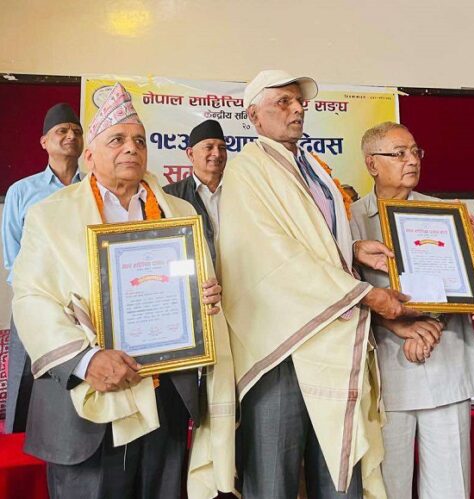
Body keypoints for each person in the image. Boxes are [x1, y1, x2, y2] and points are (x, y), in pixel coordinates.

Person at [11, 83, 236, 499]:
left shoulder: (179, 212)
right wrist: (85, 360)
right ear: (90, 155)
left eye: (139, 140)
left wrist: (203, 297)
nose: (131, 148)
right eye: (117, 139)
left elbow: (190, 280)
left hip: (166, 399)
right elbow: (30, 297)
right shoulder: (50, 215)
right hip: (87, 406)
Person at [218, 70, 415, 499]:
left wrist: (354, 249)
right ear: (254, 115)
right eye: (283, 102)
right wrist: (367, 294)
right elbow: (276, 257)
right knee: (274, 483)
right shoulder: (247, 171)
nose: (296, 109)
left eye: (299, 102)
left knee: (341, 478)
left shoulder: (313, 169)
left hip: (333, 340)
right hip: (281, 349)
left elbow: (315, 240)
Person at [350, 122, 474, 498]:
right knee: (387, 486)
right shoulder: (349, 221)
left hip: (445, 359)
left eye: (415, 152)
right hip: (386, 369)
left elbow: (466, 286)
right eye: (399, 154)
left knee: (451, 485)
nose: (411, 160)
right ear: (372, 163)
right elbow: (344, 291)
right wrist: (396, 324)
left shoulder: (443, 213)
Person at [2, 103, 84, 434]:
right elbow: (12, 256)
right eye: (62, 131)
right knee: (25, 379)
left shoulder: (93, 190)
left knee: (77, 377)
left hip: (84, 307)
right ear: (44, 142)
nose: (70, 136)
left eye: (76, 131)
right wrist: (37, 298)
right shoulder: (22, 191)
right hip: (34, 302)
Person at [163, 119, 227, 262]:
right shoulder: (169, 196)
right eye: (209, 147)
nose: (217, 153)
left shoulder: (241, 190)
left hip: (239, 274)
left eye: (222, 148)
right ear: (190, 154)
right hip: (196, 274)